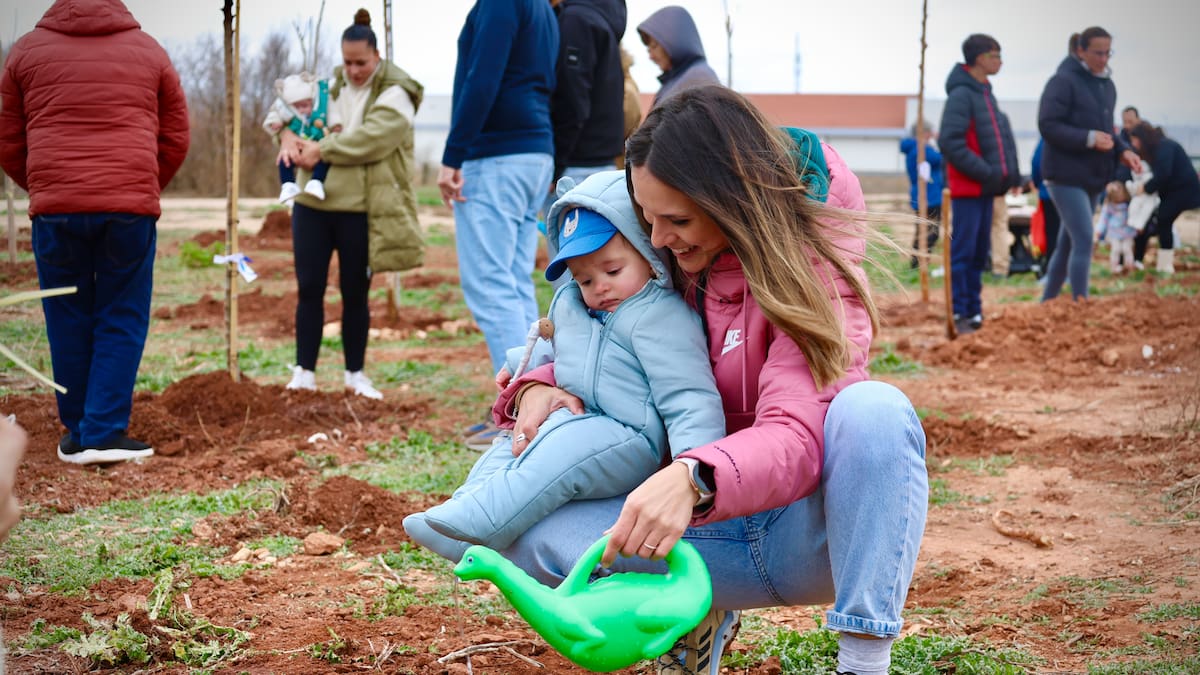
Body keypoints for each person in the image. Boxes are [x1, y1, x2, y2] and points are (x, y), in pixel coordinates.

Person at [443, 86, 928, 675]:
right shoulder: (672, 248)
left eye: (676, 220)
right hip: (701, 534)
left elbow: (800, 431)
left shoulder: (814, 258)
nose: (660, 238)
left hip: (808, 535)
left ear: (732, 201)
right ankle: (690, 612)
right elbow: (619, 338)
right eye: (647, 219)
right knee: (523, 531)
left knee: (874, 411)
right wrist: (542, 384)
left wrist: (694, 476)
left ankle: (862, 661)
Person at [405, 170, 725, 553]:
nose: (599, 287)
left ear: (649, 254)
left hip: (631, 436)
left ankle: (489, 522)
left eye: (612, 270)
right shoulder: (574, 307)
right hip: (580, 419)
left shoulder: (662, 317)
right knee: (513, 445)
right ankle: (462, 514)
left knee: (557, 455)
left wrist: (691, 469)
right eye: (585, 280)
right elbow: (557, 350)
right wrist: (521, 372)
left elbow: (690, 397)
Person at [0, 0, 189, 464]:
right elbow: (176, 136)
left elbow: (8, 139)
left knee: (66, 314)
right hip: (128, 210)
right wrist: (139, 186)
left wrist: (48, 186)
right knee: (121, 312)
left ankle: (78, 432)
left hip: (57, 211)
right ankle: (103, 431)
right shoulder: (149, 51)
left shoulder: (26, 52)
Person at [277, 8, 424, 400]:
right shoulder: (326, 88)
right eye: (347, 62)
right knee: (309, 288)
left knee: (355, 292)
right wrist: (286, 139)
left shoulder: (398, 92)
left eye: (361, 62)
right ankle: (304, 373)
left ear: (377, 56)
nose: (354, 70)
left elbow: (373, 139)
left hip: (361, 208)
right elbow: (291, 115)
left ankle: (355, 376)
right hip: (312, 205)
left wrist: (322, 148)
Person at [438, 0, 558, 449]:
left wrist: (453, 155)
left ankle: (521, 409)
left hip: (496, 154)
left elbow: (482, 76)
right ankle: (534, 397)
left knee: (492, 286)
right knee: (511, 281)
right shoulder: (542, 9)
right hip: (532, 152)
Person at [1038, 26, 1141, 302]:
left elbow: (1106, 129)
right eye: (1098, 52)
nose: (1104, 59)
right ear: (1081, 50)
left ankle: (1047, 303)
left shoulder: (1106, 86)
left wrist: (1124, 150)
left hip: (1093, 175)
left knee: (1068, 242)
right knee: (1084, 238)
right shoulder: (1062, 82)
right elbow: (1047, 125)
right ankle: (1080, 303)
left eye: (1108, 53)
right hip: (1064, 175)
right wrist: (1087, 138)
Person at [540, 0, 628, 286]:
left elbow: (571, 102)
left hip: (573, 168)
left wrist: (554, 167)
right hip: (598, 162)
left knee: (575, 280)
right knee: (602, 274)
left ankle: (576, 332)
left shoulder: (576, 21)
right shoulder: (600, 19)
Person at [938, 33, 1021, 334]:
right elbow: (950, 142)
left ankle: (974, 310)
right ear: (978, 59)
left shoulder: (985, 92)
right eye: (994, 55)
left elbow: (997, 140)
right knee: (963, 253)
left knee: (977, 253)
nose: (999, 61)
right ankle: (960, 311)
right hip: (969, 189)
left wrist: (1008, 175)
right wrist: (986, 171)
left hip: (986, 189)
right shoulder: (961, 95)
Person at [1127, 121, 1200, 275]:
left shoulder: (1165, 147)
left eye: (1134, 140)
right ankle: (1144, 261)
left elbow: (1163, 174)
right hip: (1173, 192)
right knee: (1156, 222)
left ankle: (1165, 265)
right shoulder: (1158, 148)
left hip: (1183, 192)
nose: (1133, 144)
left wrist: (1145, 188)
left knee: (1163, 220)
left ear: (1142, 138)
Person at [264, 72, 342, 203]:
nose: (302, 111)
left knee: (325, 160)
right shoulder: (289, 114)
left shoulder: (323, 108)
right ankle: (288, 185)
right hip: (298, 147)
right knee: (284, 160)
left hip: (320, 144)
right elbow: (276, 114)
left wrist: (335, 125)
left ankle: (316, 182)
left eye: (305, 106)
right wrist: (278, 127)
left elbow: (332, 114)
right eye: (297, 107)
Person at [636, 5, 721, 109]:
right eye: (649, 50)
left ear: (673, 41)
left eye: (654, 46)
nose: (651, 57)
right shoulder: (678, 78)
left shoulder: (699, 78)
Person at [898, 120, 944, 269]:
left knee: (923, 229)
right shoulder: (922, 149)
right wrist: (939, 141)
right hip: (929, 196)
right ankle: (918, 262)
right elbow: (940, 159)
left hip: (925, 194)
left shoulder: (915, 148)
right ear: (924, 132)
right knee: (931, 231)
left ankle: (917, 262)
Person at [1031, 138, 1063, 274]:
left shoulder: (1046, 139)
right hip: (1069, 192)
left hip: (1049, 193)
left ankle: (1052, 269)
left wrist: (1040, 184)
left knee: (1052, 234)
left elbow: (1036, 163)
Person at [1095, 181, 1137, 274]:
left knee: (1127, 249)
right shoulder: (1109, 207)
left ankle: (1129, 267)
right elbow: (1103, 219)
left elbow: (1135, 216)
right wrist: (1099, 230)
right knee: (1116, 249)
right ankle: (1114, 268)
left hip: (1127, 232)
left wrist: (1138, 226)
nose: (1119, 198)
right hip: (1114, 232)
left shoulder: (1129, 205)